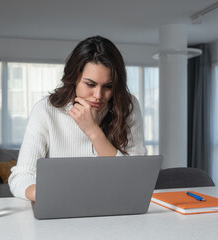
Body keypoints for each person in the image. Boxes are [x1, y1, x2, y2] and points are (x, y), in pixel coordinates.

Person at [8, 36, 147, 201]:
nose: (98, 96)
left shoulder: (128, 106)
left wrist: (93, 131)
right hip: (62, 206)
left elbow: (135, 177)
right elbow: (22, 176)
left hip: (115, 205)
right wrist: (45, 194)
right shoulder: (46, 110)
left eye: (108, 86)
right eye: (90, 84)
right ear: (74, 79)